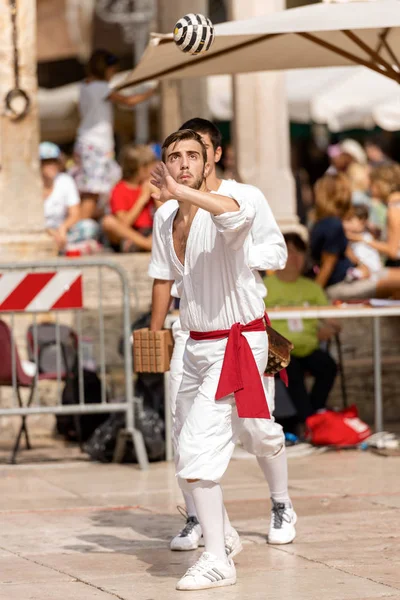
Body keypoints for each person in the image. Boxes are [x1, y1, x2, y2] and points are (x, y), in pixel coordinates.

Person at [149, 128, 288, 591]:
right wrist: (156, 334)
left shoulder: (236, 199)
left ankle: (219, 556)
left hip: (238, 343)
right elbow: (166, 278)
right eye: (174, 156)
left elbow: (232, 217)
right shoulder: (166, 215)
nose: (183, 162)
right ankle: (222, 535)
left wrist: (186, 192)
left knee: (244, 436)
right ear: (164, 163)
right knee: (184, 441)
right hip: (194, 343)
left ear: (211, 160)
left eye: (192, 155)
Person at [264, 232, 338, 435]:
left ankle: (311, 416)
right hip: (277, 350)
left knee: (328, 367)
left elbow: (334, 320)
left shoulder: (312, 288)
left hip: (308, 346)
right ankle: (310, 422)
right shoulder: (264, 287)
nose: (295, 258)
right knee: (291, 369)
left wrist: (329, 329)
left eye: (299, 253)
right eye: (289, 252)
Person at [73, 49, 156, 220]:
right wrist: (151, 92)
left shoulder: (84, 86)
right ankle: (78, 229)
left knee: (97, 190)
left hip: (85, 142)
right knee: (93, 192)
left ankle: (86, 224)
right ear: (107, 69)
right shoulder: (102, 88)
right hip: (97, 144)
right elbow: (129, 101)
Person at [311, 173, 400, 300]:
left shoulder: (329, 222)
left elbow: (348, 254)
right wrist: (314, 298)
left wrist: (363, 267)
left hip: (354, 277)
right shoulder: (332, 225)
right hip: (340, 285)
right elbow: (327, 265)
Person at [40, 142, 100, 253]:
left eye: (55, 162)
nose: (52, 166)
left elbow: (75, 214)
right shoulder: (30, 185)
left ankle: (64, 247)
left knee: (89, 227)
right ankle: (70, 248)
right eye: (47, 162)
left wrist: (62, 228)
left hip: (62, 231)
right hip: (41, 230)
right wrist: (49, 231)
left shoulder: (65, 180)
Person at [102, 145, 156, 252]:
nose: (154, 169)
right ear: (141, 169)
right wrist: (142, 199)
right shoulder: (119, 189)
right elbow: (124, 223)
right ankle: (146, 245)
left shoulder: (151, 185)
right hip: (129, 235)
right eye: (151, 166)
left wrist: (156, 192)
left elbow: (166, 213)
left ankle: (145, 245)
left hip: (149, 232)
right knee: (108, 222)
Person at [348, 164, 400, 268]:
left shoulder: (394, 209)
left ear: (380, 185)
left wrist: (362, 239)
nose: (369, 188)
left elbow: (393, 252)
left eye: (372, 184)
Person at [343, 204, 383, 281]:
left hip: (372, 274)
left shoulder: (366, 237)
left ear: (362, 223)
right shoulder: (358, 237)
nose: (345, 224)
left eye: (349, 220)